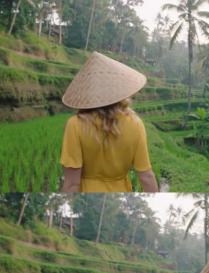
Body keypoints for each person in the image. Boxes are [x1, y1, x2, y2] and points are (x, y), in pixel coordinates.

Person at [60, 52, 158, 192]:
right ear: (119, 90)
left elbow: (72, 183)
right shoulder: (135, 124)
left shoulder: (75, 124)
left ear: (87, 91)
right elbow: (146, 176)